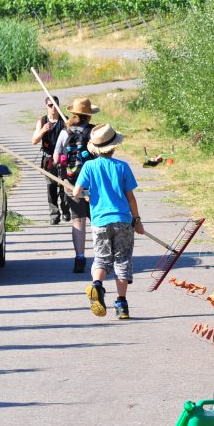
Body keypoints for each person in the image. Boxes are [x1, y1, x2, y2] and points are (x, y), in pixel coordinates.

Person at [70, 123, 145, 320]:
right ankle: (122, 305)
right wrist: (137, 220)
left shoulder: (89, 166)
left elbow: (76, 193)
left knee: (102, 259)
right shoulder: (122, 167)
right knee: (122, 260)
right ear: (114, 146)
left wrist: (87, 194)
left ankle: (97, 286)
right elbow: (130, 198)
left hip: (100, 222)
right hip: (122, 220)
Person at [52, 97, 99, 274]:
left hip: (71, 183)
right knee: (97, 219)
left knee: (78, 220)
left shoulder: (65, 131)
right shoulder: (93, 132)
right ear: (88, 115)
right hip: (93, 182)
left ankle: (79, 257)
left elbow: (56, 158)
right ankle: (100, 257)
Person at [30, 95, 66, 224]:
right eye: (50, 105)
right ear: (46, 106)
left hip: (64, 158)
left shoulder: (65, 120)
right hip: (49, 158)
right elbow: (34, 140)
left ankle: (65, 209)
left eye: (55, 105)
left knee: (65, 186)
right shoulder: (42, 121)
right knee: (51, 186)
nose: (53, 108)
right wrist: (43, 131)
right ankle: (54, 214)